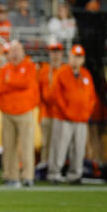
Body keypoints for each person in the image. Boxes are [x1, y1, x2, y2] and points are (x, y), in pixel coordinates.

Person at [47, 44, 96, 184]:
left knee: (79, 148)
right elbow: (56, 95)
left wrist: (87, 112)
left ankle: (75, 174)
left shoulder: (86, 74)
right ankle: (54, 174)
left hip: (81, 119)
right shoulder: (62, 72)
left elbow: (92, 97)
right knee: (59, 147)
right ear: (70, 57)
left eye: (80, 57)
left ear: (83, 59)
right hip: (64, 118)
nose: (77, 60)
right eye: (75, 56)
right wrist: (66, 111)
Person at [0, 40, 39, 187]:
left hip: (25, 111)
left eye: (17, 50)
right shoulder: (4, 69)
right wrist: (2, 105)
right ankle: (11, 176)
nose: (14, 53)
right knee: (8, 147)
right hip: (7, 112)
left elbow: (24, 83)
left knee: (26, 146)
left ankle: (27, 176)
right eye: (12, 50)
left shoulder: (29, 66)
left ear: (22, 52)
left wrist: (9, 83)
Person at [36, 42, 64, 170]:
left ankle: (57, 168)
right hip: (46, 112)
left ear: (62, 53)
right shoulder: (44, 71)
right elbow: (38, 91)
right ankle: (44, 166)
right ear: (50, 54)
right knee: (46, 142)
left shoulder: (65, 70)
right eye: (53, 52)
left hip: (62, 113)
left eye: (57, 52)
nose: (55, 55)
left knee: (59, 143)